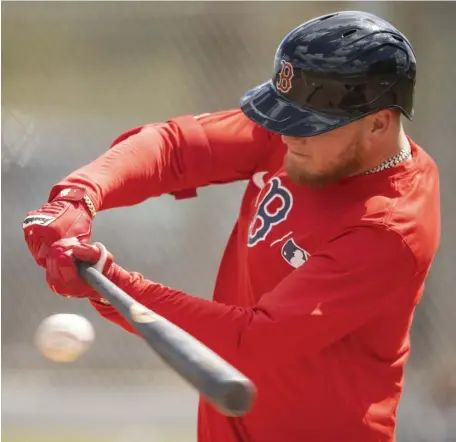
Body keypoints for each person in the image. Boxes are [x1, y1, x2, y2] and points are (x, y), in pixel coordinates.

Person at [23, 10, 441, 442]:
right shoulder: (304, 139)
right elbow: (175, 148)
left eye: (307, 126)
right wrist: (81, 194)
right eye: (284, 119)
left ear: (377, 123)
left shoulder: (389, 227)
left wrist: (112, 284)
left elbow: (255, 343)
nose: (286, 136)